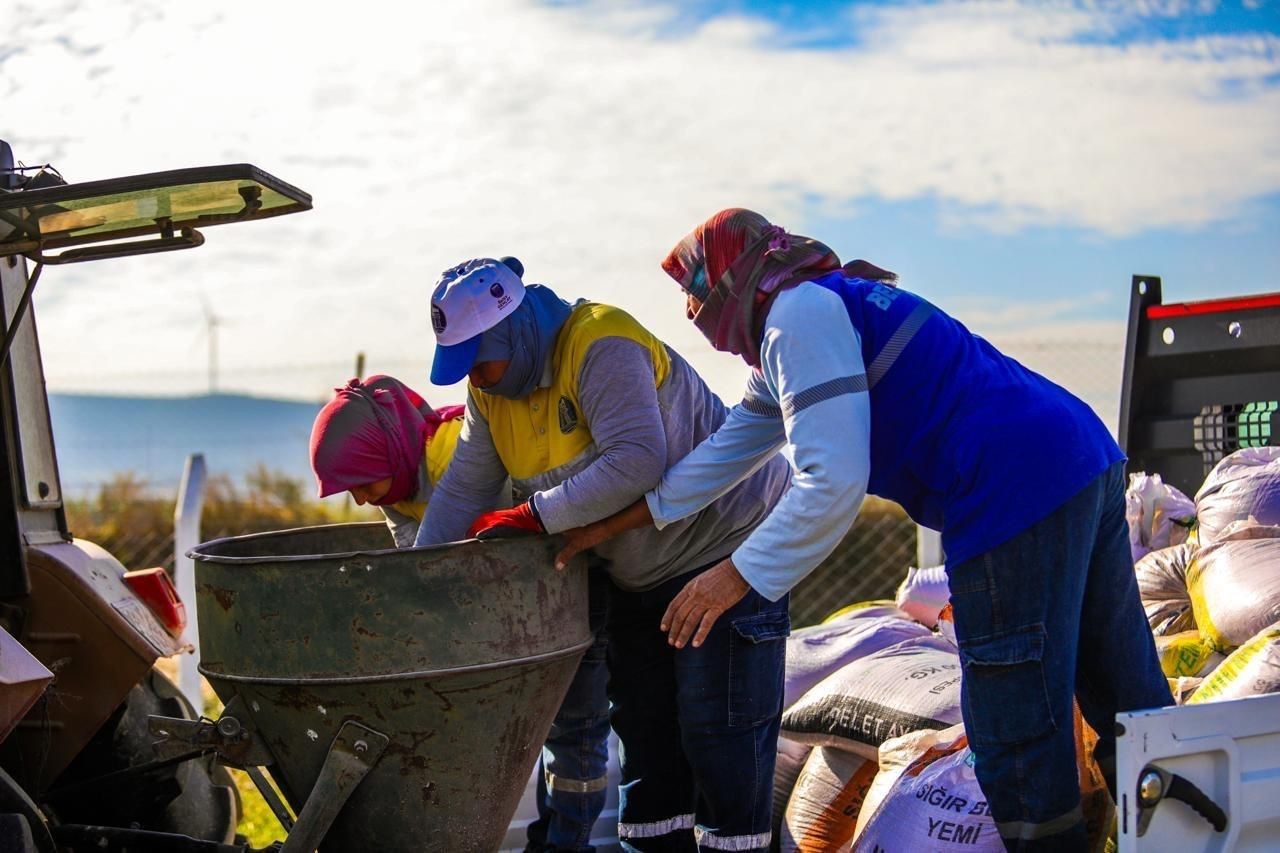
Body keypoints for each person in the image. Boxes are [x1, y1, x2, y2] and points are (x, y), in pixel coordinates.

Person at [556, 209, 1175, 852]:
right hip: (1077, 456)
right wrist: (628, 517)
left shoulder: (797, 319)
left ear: (733, 279)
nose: (688, 311)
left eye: (693, 288)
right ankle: (1182, 838)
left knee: (1016, 727)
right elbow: (729, 449)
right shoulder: (813, 311)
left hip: (1010, 489)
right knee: (1125, 697)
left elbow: (831, 484)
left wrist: (731, 577)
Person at [416, 256, 792, 852]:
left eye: (479, 362)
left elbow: (636, 460)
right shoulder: (491, 392)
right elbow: (465, 486)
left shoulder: (600, 342)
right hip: (637, 573)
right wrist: (418, 577)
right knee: (647, 743)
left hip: (723, 553)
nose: (477, 380)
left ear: (511, 332)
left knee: (719, 740)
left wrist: (535, 515)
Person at [307, 372, 603, 851]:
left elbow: (495, 539)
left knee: (576, 733)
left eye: (361, 482)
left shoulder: (455, 455)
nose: (360, 498)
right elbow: (414, 561)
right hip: (506, 618)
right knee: (545, 734)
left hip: (561, 598)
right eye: (351, 490)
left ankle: (567, 844)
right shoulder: (395, 486)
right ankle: (547, 840)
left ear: (384, 452)